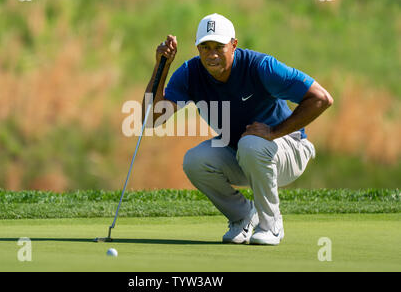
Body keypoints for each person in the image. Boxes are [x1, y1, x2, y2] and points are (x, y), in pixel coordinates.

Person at [142, 13, 333, 245]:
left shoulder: (261, 67)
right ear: (197, 47)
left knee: (251, 144)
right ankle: (243, 216)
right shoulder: (190, 73)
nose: (211, 54)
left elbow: (321, 98)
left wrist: (273, 132)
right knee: (195, 160)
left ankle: (271, 224)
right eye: (204, 47)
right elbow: (151, 119)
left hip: (289, 149)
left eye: (218, 47)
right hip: (241, 152)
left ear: (234, 44)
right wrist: (162, 67)